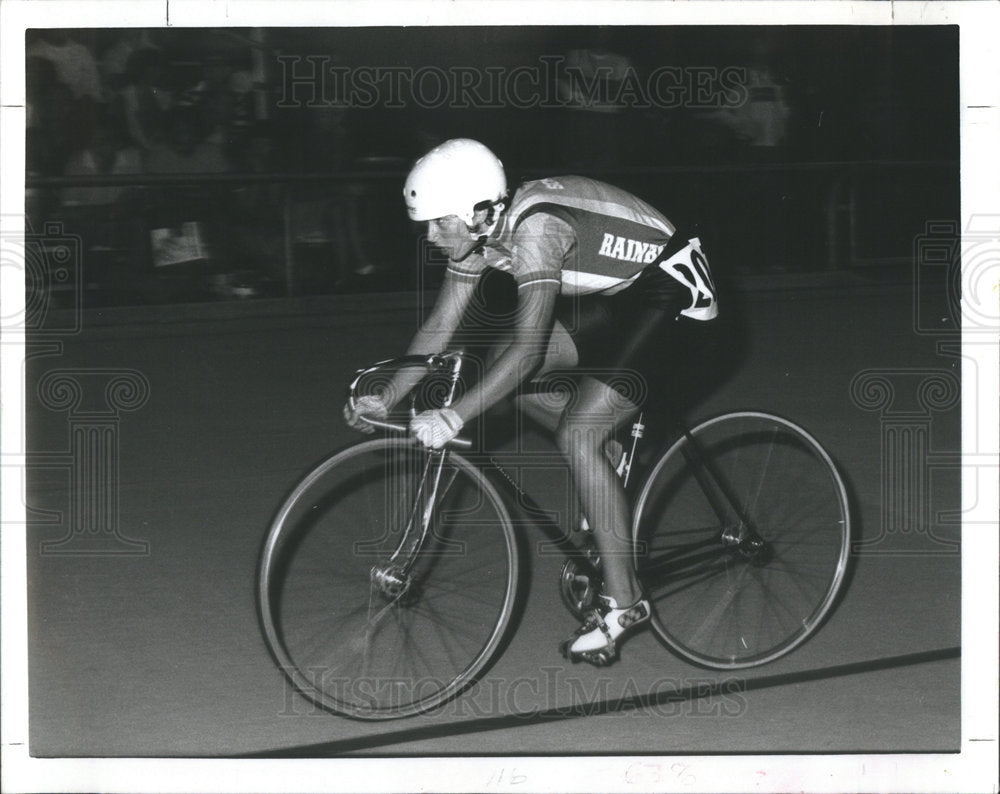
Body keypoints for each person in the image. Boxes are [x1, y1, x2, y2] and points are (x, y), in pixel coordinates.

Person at [344, 139, 720, 666]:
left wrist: (454, 414)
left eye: (437, 223)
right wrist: (388, 396)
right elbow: (442, 325)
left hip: (674, 295)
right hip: (618, 296)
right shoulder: (479, 233)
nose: (429, 236)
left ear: (477, 212)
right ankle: (604, 460)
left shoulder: (536, 229)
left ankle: (626, 603)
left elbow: (529, 350)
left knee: (576, 430)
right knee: (500, 368)